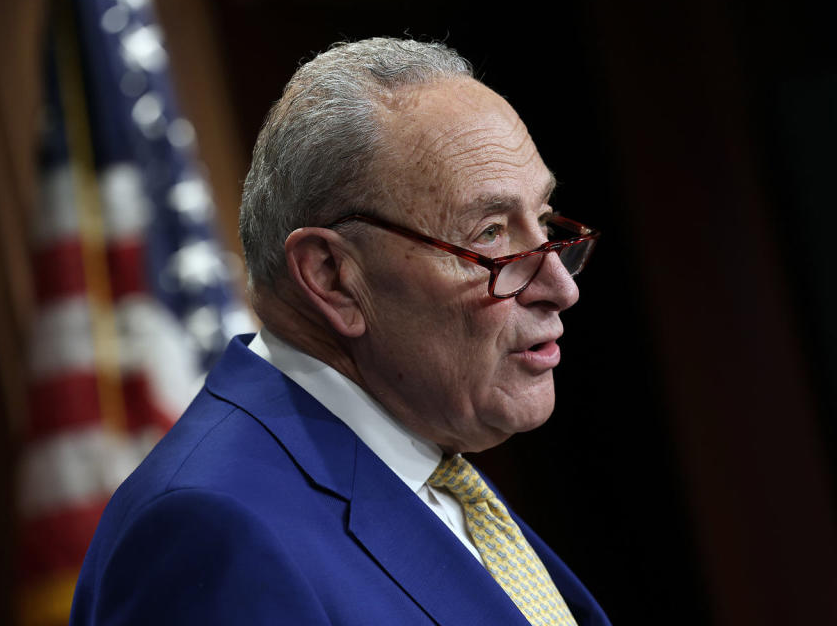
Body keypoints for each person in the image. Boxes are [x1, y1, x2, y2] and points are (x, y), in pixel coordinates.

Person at [71, 37, 610, 625]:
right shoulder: (212, 531)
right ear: (332, 278)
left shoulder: (428, 461)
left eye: (545, 219)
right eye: (489, 235)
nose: (561, 286)